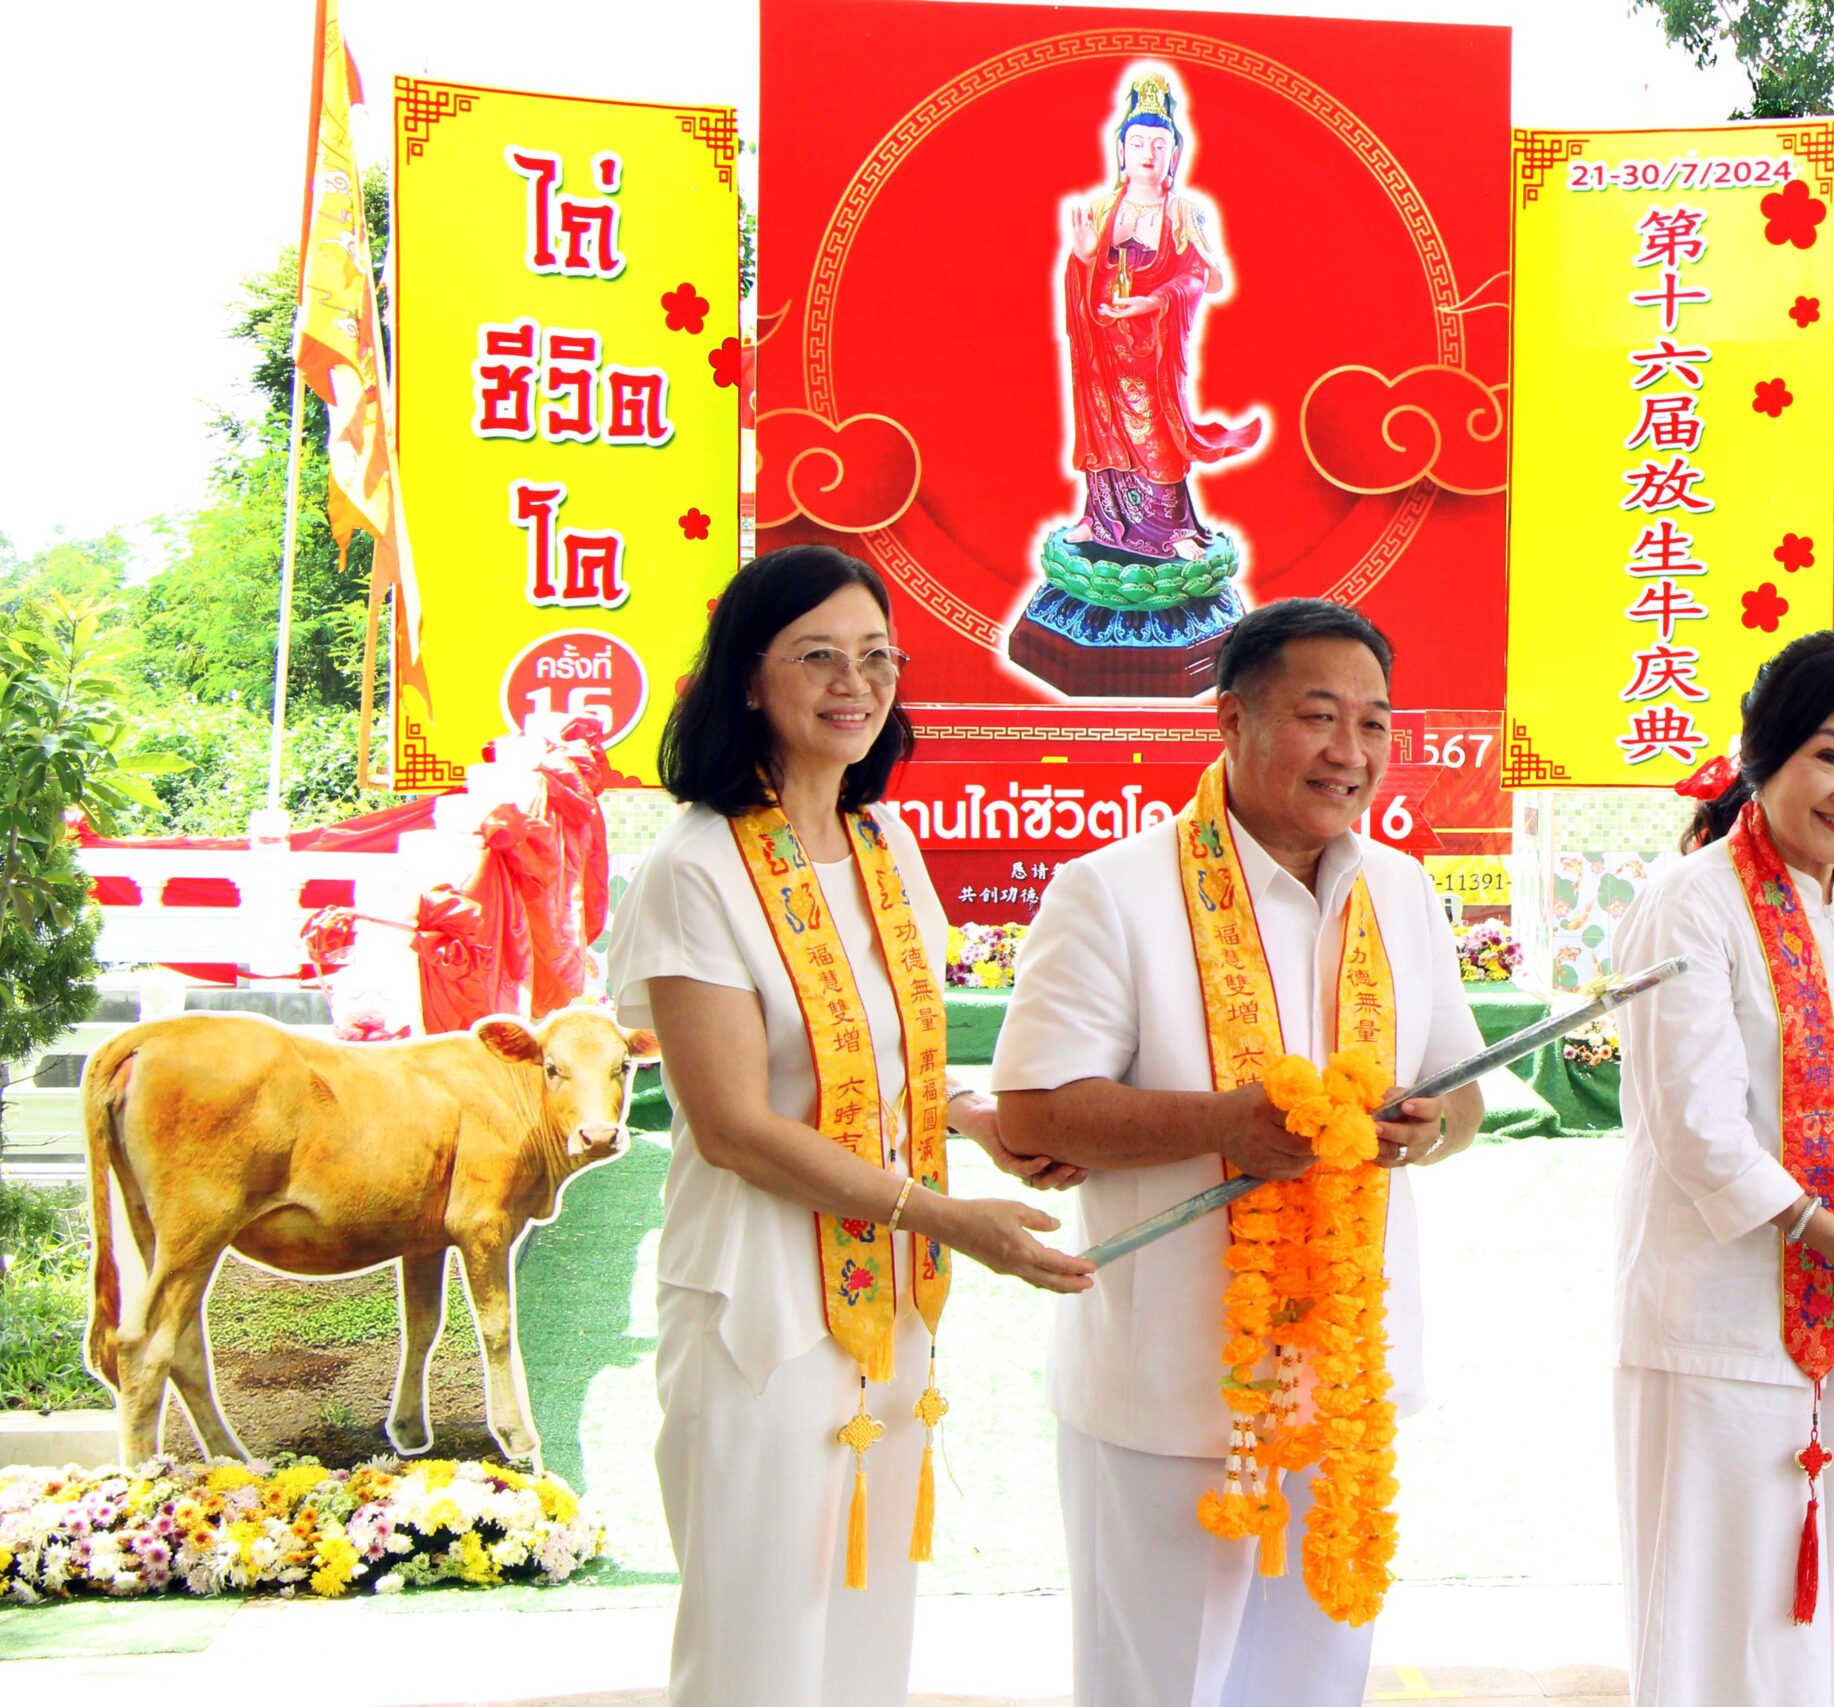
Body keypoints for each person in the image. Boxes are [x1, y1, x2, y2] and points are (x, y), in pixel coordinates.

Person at [607, 545, 1095, 1707]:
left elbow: (881, 1060)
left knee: (867, 1624)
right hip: (759, 1304)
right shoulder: (695, 864)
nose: (854, 682)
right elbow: (730, 1124)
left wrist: (971, 1116)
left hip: (885, 1302)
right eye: (818, 655)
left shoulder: (884, 850)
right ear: (745, 680)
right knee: (759, 1638)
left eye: (877, 656)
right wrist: (947, 1217)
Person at [993, 598, 1486, 1707]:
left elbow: (1464, 1102)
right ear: (1231, 720)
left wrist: (1418, 1133)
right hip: (1167, 1388)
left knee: (1313, 1684)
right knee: (1157, 1686)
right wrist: (1227, 1125)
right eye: (1320, 717)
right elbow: (1032, 1112)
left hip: (1345, 1390)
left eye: (1374, 723)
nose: (1349, 753)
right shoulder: (1111, 890)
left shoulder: (1399, 890)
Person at [1610, 630, 1834, 1707]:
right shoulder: (1691, 901)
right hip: (1720, 1329)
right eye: (1830, 755)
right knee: (1722, 1628)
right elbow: (1698, 1130)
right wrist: (1830, 1236)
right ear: (1762, 754)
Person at [1059, 66, 1261, 561]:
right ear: (1122, 151)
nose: (1148, 153)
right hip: (1103, 343)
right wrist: (1085, 257)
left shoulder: (1183, 212)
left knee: (1156, 432)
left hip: (1153, 348)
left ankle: (1172, 528)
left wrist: (1159, 299)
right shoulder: (1104, 210)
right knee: (1103, 427)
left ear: (1173, 153)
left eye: (1158, 144)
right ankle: (1100, 518)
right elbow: (1084, 275)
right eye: (1138, 143)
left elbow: (1206, 278)